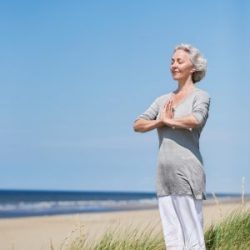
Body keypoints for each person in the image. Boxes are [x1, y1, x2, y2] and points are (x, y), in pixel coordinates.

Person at [133, 44, 210, 250]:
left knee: (193, 240)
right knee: (173, 241)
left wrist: (170, 121)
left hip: (188, 174)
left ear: (193, 68)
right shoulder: (162, 100)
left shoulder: (201, 96)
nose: (173, 65)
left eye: (179, 61)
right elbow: (137, 124)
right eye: (172, 61)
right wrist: (160, 122)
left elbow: (196, 119)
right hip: (164, 177)